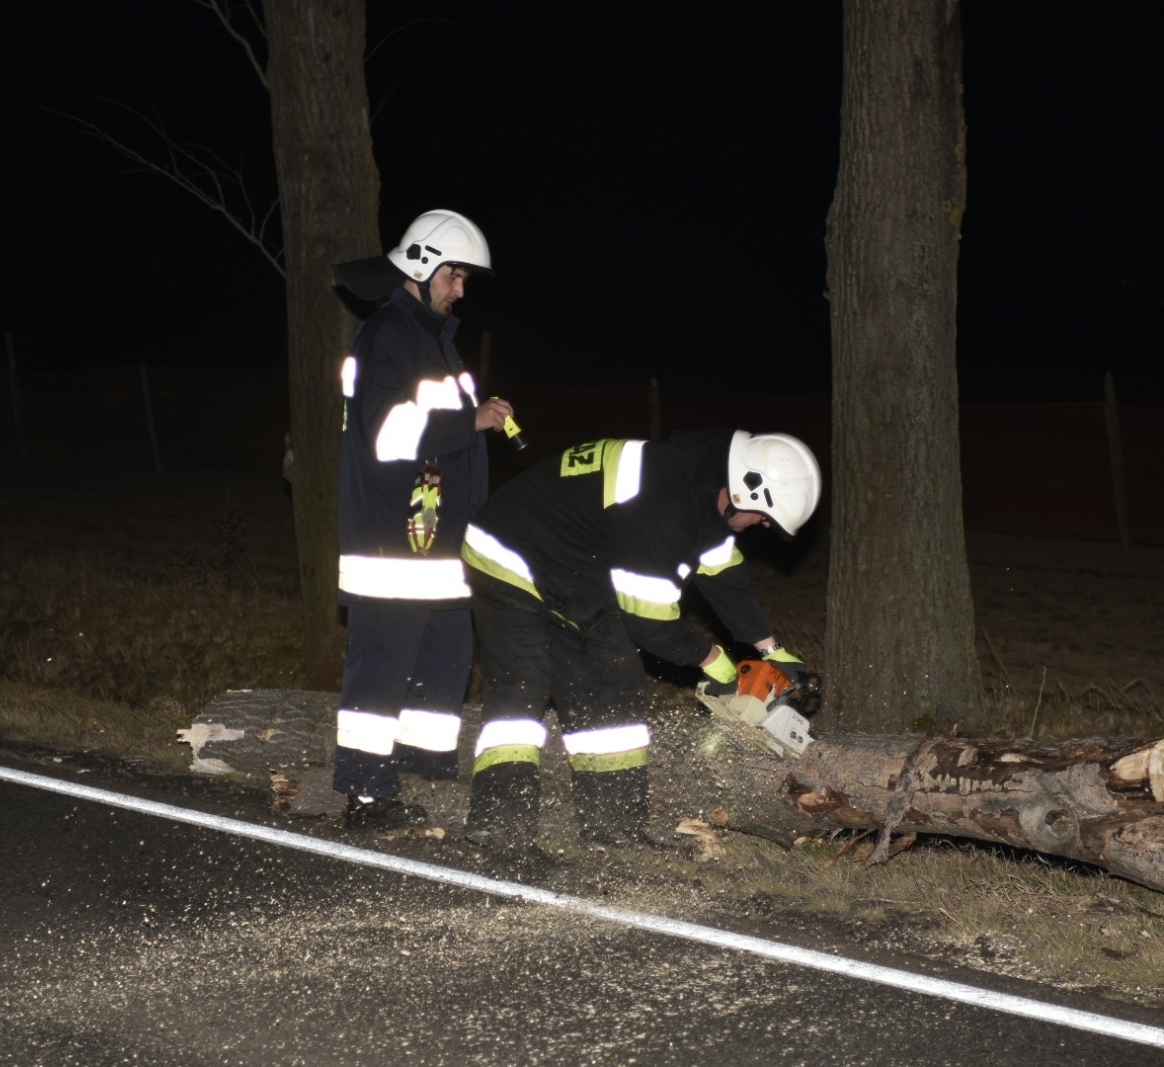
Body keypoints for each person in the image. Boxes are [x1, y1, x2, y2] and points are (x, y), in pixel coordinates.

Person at [459, 427, 822, 848]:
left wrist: (770, 649)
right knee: (525, 683)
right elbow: (651, 625)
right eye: (763, 517)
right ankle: (500, 828)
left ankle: (614, 828)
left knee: (614, 675)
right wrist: (713, 661)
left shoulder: (704, 492)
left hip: (577, 571)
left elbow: (725, 578)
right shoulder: (665, 507)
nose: (760, 526)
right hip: (509, 554)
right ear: (745, 490)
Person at [328, 209, 514, 830]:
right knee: (381, 666)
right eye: (454, 276)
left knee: (446, 651)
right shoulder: (387, 335)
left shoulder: (435, 337)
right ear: (421, 265)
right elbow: (387, 436)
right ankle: (364, 789)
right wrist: (472, 421)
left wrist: (482, 412)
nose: (461, 290)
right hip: (392, 542)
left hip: (440, 541)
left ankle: (420, 762)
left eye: (463, 279)